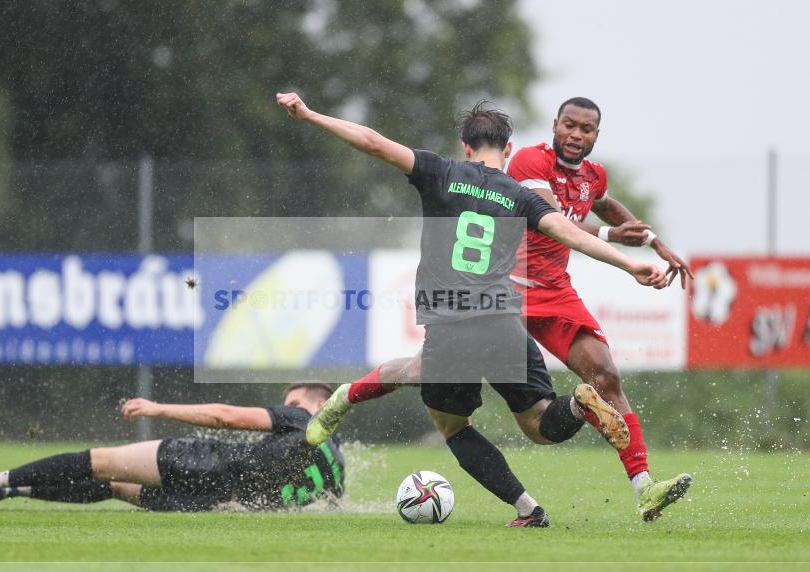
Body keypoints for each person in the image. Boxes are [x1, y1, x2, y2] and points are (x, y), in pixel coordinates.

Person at [277, 91, 666, 527]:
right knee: (539, 424)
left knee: (453, 426)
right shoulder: (520, 196)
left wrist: (310, 115)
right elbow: (572, 234)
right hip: (504, 323)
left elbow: (371, 141)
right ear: (509, 150)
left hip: (450, 326)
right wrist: (631, 265)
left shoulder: (439, 171)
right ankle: (577, 405)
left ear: (465, 147)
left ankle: (528, 509)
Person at [0, 382, 345, 512]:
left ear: (320, 404)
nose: (287, 407)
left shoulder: (304, 419)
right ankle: (13, 491)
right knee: (114, 486)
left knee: (100, 461)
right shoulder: (338, 466)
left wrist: (157, 408)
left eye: (294, 402)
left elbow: (226, 416)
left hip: (207, 464)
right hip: (211, 504)